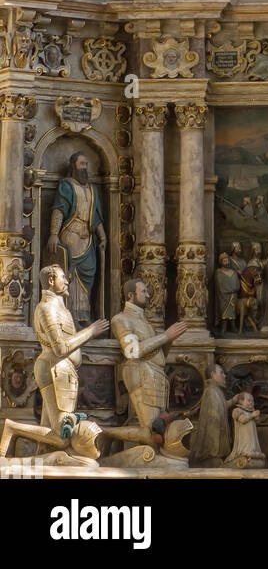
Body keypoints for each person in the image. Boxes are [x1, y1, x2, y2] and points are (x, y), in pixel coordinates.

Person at [33, 265, 109, 439]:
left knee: (49, 432)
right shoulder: (47, 308)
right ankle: (12, 429)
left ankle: (41, 461)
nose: (67, 281)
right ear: (51, 281)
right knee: (62, 432)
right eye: (63, 278)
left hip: (62, 370)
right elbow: (59, 348)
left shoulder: (60, 308)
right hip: (55, 369)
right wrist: (90, 331)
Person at [110, 278, 188, 447]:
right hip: (142, 373)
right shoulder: (121, 319)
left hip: (155, 374)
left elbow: (159, 354)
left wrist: (169, 340)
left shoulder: (145, 323)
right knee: (152, 432)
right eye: (143, 292)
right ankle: (105, 433)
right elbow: (132, 351)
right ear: (130, 295)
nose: (148, 295)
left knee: (160, 428)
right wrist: (166, 336)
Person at [45, 151, 106, 327]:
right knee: (69, 275)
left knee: (89, 275)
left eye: (86, 164)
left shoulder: (92, 189)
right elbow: (59, 209)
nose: (84, 167)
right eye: (81, 164)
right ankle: (69, 316)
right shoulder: (66, 185)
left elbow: (95, 217)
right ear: (73, 166)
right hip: (71, 235)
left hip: (88, 239)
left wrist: (102, 236)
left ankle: (83, 316)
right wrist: (54, 234)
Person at [189, 364, 234, 467]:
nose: (224, 376)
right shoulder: (211, 392)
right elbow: (212, 422)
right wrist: (215, 450)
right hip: (214, 450)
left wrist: (233, 400)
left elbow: (221, 407)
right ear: (213, 375)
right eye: (221, 373)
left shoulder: (216, 391)